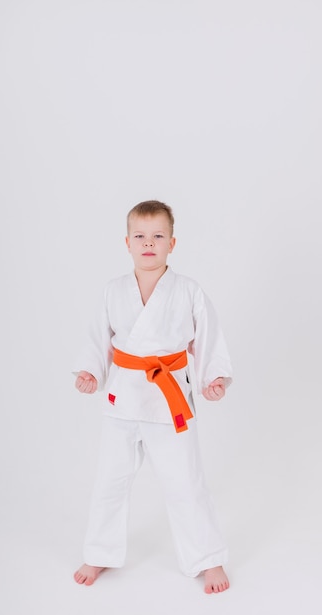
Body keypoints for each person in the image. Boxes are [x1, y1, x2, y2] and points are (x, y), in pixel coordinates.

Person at [72, 200, 233, 594]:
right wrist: (92, 370)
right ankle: (99, 553)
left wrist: (214, 378)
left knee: (186, 482)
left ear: (172, 243)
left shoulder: (189, 291)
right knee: (110, 480)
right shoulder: (113, 291)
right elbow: (98, 337)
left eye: (158, 236)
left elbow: (208, 338)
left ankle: (207, 559)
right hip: (122, 398)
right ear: (127, 243)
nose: (149, 243)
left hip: (169, 399)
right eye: (140, 236)